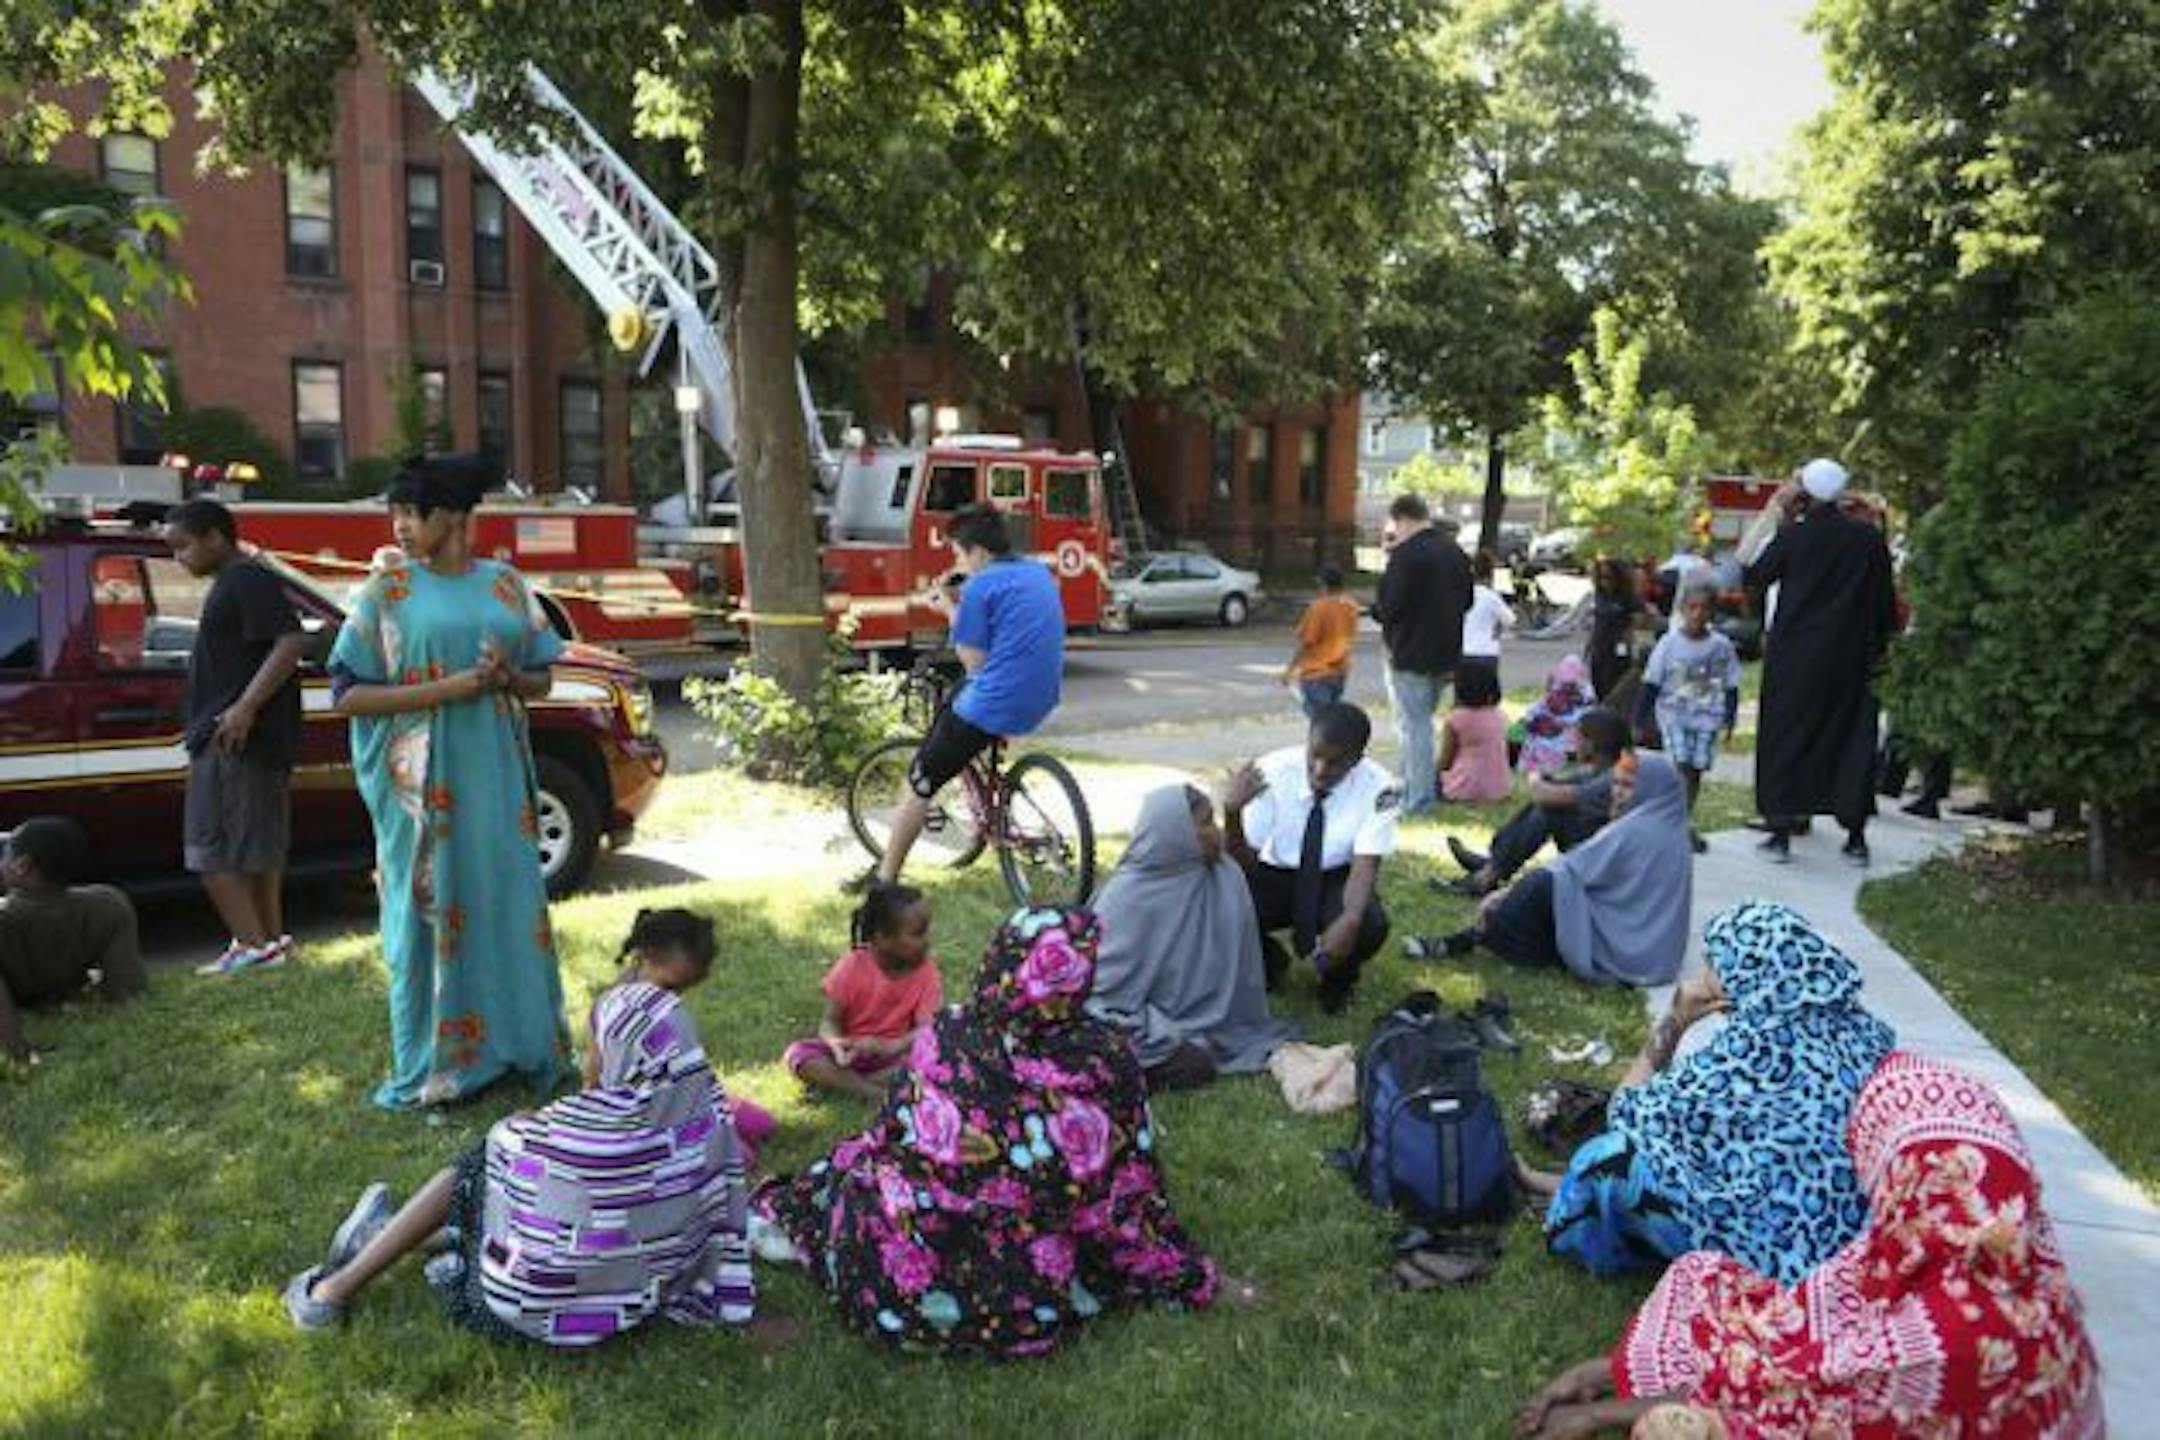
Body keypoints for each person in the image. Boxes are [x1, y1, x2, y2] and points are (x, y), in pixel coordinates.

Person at [1516, 1053, 2104, 1440]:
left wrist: (1604, 1411)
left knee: (1675, 1428)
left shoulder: (1962, 1328)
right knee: (1717, 1288)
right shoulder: (2001, 1258)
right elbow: (1805, 1333)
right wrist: (1604, 1373)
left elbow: (1804, 1412)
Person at [755, 908, 1230, 1356]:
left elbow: (894, 1131)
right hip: (1004, 1285)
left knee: (865, 1175)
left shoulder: (948, 1029)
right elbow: (1114, 1199)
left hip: (891, 1260)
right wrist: (1188, 1277)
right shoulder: (1098, 1060)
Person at [283, 907, 760, 1343]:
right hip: (596, 1306)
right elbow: (602, 1112)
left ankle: (333, 1289)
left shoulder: (616, 1013)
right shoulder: (703, 1134)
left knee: (491, 1158)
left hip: (504, 1305)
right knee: (523, 1182)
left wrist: (533, 1131)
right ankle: (390, 1240)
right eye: (669, 989)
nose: (668, 1004)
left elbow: (594, 1106)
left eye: (678, 995)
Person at [328, 453, 572, 1110]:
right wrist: (448, 688)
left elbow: (543, 677)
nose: (402, 527)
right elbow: (346, 695)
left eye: (416, 513)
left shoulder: (505, 584)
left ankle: (521, 1048)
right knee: (425, 916)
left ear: (457, 517)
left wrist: (507, 679)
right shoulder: (385, 593)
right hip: (419, 789)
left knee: (506, 904)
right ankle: (432, 1068)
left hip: (494, 778)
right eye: (396, 514)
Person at [1519, 903, 1895, 1283]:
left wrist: (1677, 1017)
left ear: (1747, 974)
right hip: (1840, 1235)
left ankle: (1577, 1214)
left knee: (1606, 1160)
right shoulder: (1858, 1030)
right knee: (1672, 1145)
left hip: (1771, 1253)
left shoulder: (1758, 1049)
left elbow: (1625, 1113)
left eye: (1714, 965)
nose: (1704, 977)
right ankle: (1564, 1186)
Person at [867, 505, 1064, 886]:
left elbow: (973, 662)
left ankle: (884, 876)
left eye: (958, 554)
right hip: (1041, 697)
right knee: (965, 713)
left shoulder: (978, 587)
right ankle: (990, 800)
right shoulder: (1037, 573)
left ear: (978, 553)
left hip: (995, 701)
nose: (957, 561)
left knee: (921, 778)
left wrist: (949, 610)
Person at [163, 498, 308, 976]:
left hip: (234, 737)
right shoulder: (239, 579)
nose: (178, 558)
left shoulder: (245, 578)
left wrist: (245, 707)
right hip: (239, 738)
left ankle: (253, 945)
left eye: (183, 546)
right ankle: (267, 944)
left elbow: (290, 641)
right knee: (254, 849)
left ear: (214, 538)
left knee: (210, 848)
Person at [1408, 751, 1690, 988]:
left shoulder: (1636, 830)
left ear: (1650, 791)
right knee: (1546, 869)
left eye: (1628, 786)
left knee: (1540, 884)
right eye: (1616, 783)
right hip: (1644, 948)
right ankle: (1490, 875)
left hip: (1627, 951)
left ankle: (1471, 935)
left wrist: (1504, 894)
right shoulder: (1666, 823)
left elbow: (1571, 869)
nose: (1616, 792)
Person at [1087, 785, 1298, 1090]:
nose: (1217, 833)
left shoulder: (1221, 873)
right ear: (1178, 832)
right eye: (1206, 824)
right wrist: (1161, 1031)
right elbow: (1101, 992)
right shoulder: (1127, 897)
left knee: (1197, 1060)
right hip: (1134, 1016)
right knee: (1192, 1063)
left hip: (1192, 1016)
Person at [1740, 458, 1897, 866]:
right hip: (1854, 655)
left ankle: (1780, 830)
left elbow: (1753, 575)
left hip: (1796, 655)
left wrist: (1779, 514)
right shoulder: (1867, 539)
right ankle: (1856, 836)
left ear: (1804, 492)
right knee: (1852, 738)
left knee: (1787, 736)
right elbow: (1884, 602)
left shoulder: (1796, 536)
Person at [1225, 702, 1397, 1014]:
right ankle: (1268, 962)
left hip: (1335, 874)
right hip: (1273, 872)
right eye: (1314, 755)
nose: (1320, 769)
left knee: (1369, 924)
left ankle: (1337, 980)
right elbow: (1240, 864)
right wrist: (1232, 813)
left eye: (1335, 762)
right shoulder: (1271, 772)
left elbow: (1366, 864)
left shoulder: (1382, 788)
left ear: (1357, 760)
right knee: (1219, 906)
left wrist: (1350, 919)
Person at [0, 818, 146, 1065]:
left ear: (22, 866)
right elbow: (126, 986)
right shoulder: (107, 904)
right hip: (64, 992)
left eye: (5, 853)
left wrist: (18, 1055)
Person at [1443, 707, 1631, 897]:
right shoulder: (1601, 769)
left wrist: (1535, 778)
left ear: (1591, 745)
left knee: (1551, 809)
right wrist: (1546, 779)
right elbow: (1559, 783)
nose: (1572, 744)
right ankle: (1494, 863)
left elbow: (1548, 795)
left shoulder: (1612, 779)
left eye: (1578, 738)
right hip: (1599, 845)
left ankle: (1489, 876)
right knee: (1547, 802)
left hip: (1604, 857)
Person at [783, 881, 943, 1101]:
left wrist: (890, 1046)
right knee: (797, 1054)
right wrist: (836, 1045)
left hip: (895, 1057)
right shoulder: (853, 965)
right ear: (882, 938)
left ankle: (841, 1084)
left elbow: (928, 1028)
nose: (927, 939)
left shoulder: (927, 972)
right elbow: (829, 1022)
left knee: (936, 1056)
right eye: (918, 933)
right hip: (851, 1055)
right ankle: (873, 1092)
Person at [1372, 494, 1473, 816]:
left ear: (1401, 519)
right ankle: (1407, 787)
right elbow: (1468, 600)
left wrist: (1377, 610)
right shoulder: (1454, 552)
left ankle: (1419, 800)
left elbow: (1390, 607)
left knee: (1414, 727)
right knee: (1418, 723)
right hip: (1446, 653)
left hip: (1409, 652)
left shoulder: (1405, 556)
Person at [1635, 578, 1742, 854]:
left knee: (1695, 771)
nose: (1698, 614)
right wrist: (1639, 719)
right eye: (1692, 608)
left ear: (1713, 612)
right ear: (1682, 609)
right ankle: (1672, 825)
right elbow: (1651, 683)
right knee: (1679, 765)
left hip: (1707, 717)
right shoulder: (1669, 644)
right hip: (1674, 715)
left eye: (1704, 609)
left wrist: (1730, 717)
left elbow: (1731, 683)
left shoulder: (1721, 646)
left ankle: (1683, 822)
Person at [1282, 564, 1360, 720]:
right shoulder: (1351, 606)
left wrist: (1289, 671)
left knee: (1321, 723)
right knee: (1331, 719)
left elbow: (1306, 643)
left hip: (1316, 674)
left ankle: (1327, 744)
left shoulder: (1318, 608)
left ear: (1322, 584)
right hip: (1339, 672)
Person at [1439, 660, 1512, 804]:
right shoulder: (1500, 715)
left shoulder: (1456, 719)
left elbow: (1446, 760)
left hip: (1464, 787)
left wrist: (1436, 776)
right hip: (1498, 788)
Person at [1516, 653, 1597, 777]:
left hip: (1567, 729)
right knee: (1538, 733)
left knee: (1550, 737)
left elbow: (1585, 712)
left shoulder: (1584, 693)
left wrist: (1564, 720)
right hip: (1554, 725)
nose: (1567, 687)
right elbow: (1542, 704)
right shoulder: (1559, 688)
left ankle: (1546, 760)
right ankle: (1536, 761)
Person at [1587, 557, 1645, 707]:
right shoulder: (1599, 595)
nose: (1605, 582)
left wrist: (1627, 638)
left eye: (1608, 578)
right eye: (1601, 578)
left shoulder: (1629, 598)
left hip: (1618, 649)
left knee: (1614, 685)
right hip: (1599, 646)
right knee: (1598, 682)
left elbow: (1637, 622)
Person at [1459, 548, 1515, 695]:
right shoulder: (1491, 597)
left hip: (1463, 652)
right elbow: (1510, 620)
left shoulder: (1461, 594)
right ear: (1490, 574)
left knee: (1463, 698)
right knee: (1486, 698)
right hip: (1486, 652)